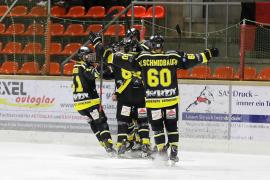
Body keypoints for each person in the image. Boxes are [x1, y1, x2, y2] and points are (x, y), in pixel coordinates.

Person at [89, 32, 219, 162]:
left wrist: (97, 43)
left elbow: (109, 56)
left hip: (153, 101)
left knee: (157, 127)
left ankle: (162, 150)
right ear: (162, 45)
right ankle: (174, 149)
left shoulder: (143, 58)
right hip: (170, 100)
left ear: (151, 45)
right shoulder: (173, 55)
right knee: (172, 126)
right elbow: (193, 59)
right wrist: (209, 53)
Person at [108, 28, 152, 158]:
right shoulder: (143, 54)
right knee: (142, 120)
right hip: (140, 93)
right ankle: (144, 144)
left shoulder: (118, 57)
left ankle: (122, 144)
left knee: (123, 120)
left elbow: (111, 71)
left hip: (125, 94)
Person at [72, 46, 115, 155]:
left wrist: (103, 69)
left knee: (93, 123)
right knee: (101, 121)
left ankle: (104, 144)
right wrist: (104, 62)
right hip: (90, 102)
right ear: (82, 57)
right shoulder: (83, 66)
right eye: (88, 56)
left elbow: (99, 73)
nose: (91, 58)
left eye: (92, 56)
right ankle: (109, 146)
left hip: (79, 105)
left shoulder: (77, 66)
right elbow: (93, 74)